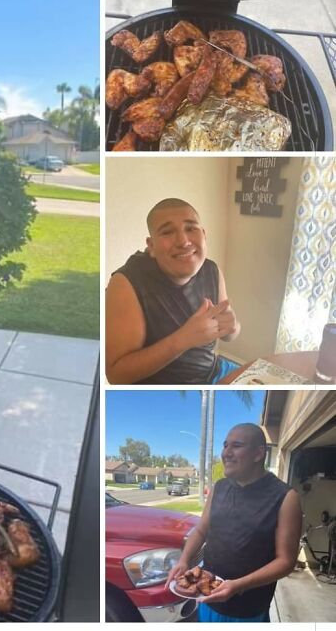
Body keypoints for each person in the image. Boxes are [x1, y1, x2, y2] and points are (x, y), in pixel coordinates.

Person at [166, 423, 302, 622]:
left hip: (248, 611)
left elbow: (286, 561)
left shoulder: (285, 497)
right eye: (225, 445)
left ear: (258, 453)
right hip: (207, 600)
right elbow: (201, 530)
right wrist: (184, 560)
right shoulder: (219, 487)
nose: (226, 453)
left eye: (236, 446)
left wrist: (238, 585)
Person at [106, 198, 240, 384]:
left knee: (275, 372)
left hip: (214, 374)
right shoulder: (126, 282)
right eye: (167, 232)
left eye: (191, 228)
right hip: (168, 393)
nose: (183, 241)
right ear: (151, 245)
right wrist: (183, 339)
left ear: (203, 234)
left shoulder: (212, 270)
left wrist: (232, 327)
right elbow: (116, 375)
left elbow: (230, 333)